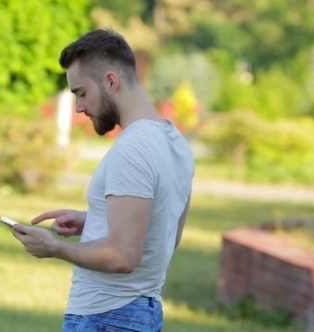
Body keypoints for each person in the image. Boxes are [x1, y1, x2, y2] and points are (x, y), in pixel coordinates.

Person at [10, 29, 195, 332]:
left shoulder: (134, 148)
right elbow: (166, 234)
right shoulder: (176, 142)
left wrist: (54, 247)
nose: (79, 108)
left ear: (111, 81)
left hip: (107, 317)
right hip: (141, 312)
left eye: (81, 93)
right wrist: (96, 219)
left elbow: (122, 256)